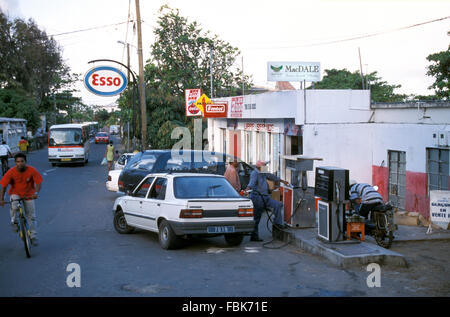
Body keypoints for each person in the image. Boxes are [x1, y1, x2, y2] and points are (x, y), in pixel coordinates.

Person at [0, 153, 43, 246]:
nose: (20, 163)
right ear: (15, 163)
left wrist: (36, 193)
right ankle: (14, 222)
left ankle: (33, 236)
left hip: (29, 194)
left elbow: (38, 183)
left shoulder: (31, 170)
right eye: (18, 162)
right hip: (15, 193)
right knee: (14, 207)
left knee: (31, 216)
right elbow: (3, 186)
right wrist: (1, 199)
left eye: (22, 161)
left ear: (25, 162)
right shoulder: (11, 172)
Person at [245, 160, 290, 242]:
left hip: (265, 197)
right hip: (257, 198)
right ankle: (254, 236)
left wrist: (282, 181)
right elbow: (251, 184)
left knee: (278, 205)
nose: (265, 167)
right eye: (264, 166)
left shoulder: (263, 172)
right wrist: (247, 190)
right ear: (259, 167)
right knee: (257, 217)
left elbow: (271, 176)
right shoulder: (255, 174)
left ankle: (278, 224)